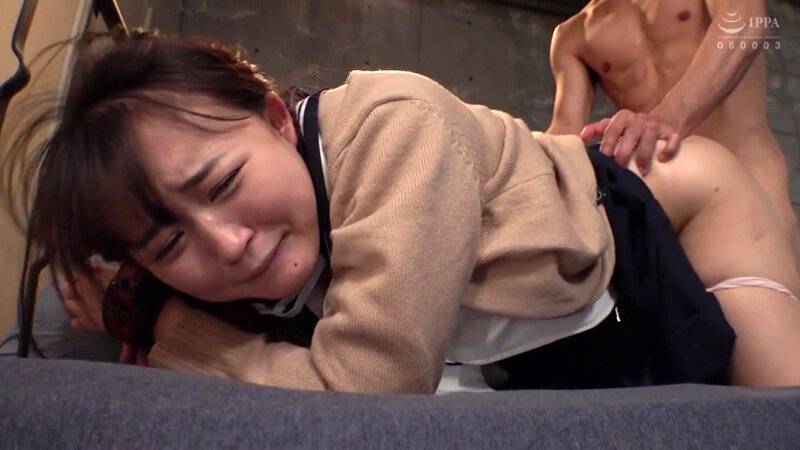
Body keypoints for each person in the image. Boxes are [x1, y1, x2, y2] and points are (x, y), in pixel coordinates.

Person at [3, 30, 799, 394]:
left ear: (277, 120)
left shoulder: (393, 125)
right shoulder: (575, 35)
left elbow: (368, 385)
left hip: (681, 195)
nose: (228, 243)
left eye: (222, 184)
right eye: (170, 242)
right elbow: (561, 124)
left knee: (776, 413)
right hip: (555, 208)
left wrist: (174, 331)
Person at [546, 0, 800, 263]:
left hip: (746, 166)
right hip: (664, 193)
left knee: (769, 284)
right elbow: (565, 132)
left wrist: (666, 117)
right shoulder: (573, 35)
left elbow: (748, 25)